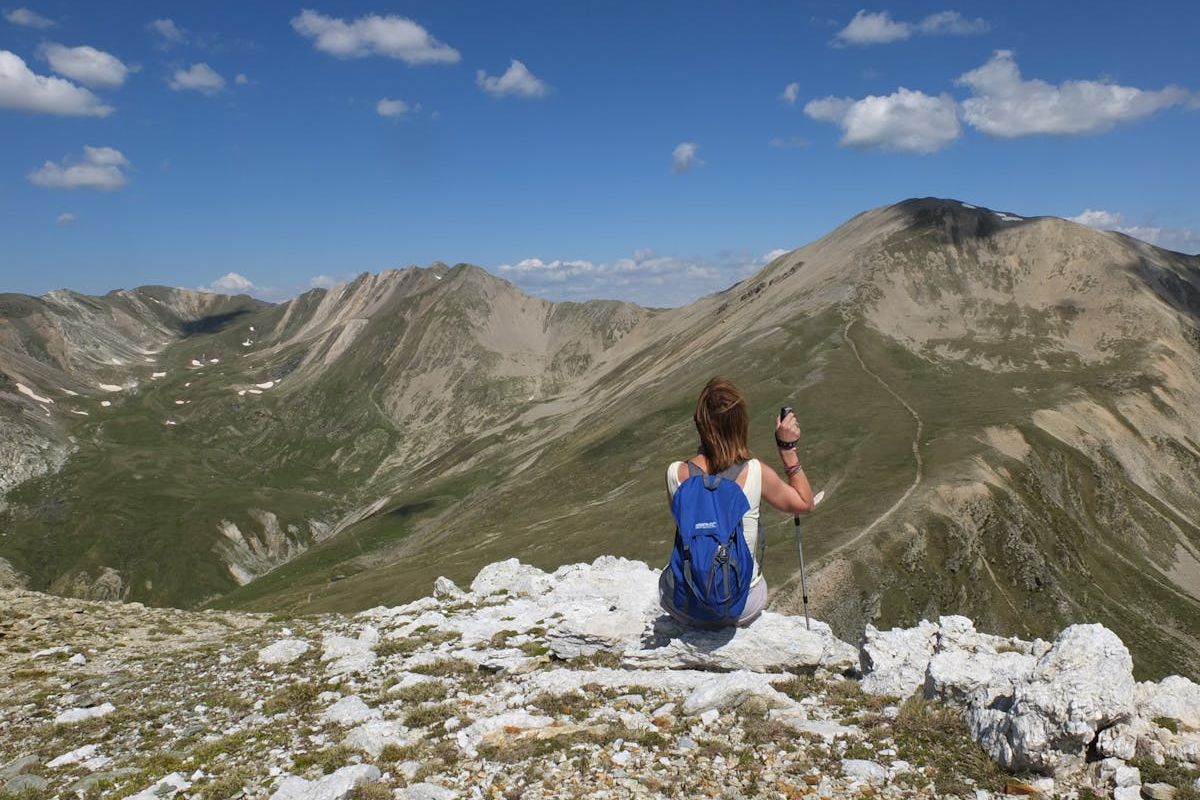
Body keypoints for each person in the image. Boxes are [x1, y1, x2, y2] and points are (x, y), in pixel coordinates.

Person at [659, 376, 815, 628]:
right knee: (754, 582)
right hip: (741, 605)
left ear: (699, 423)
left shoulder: (676, 473)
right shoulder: (755, 471)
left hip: (688, 606)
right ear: (741, 424)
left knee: (669, 576)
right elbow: (805, 503)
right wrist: (788, 449)